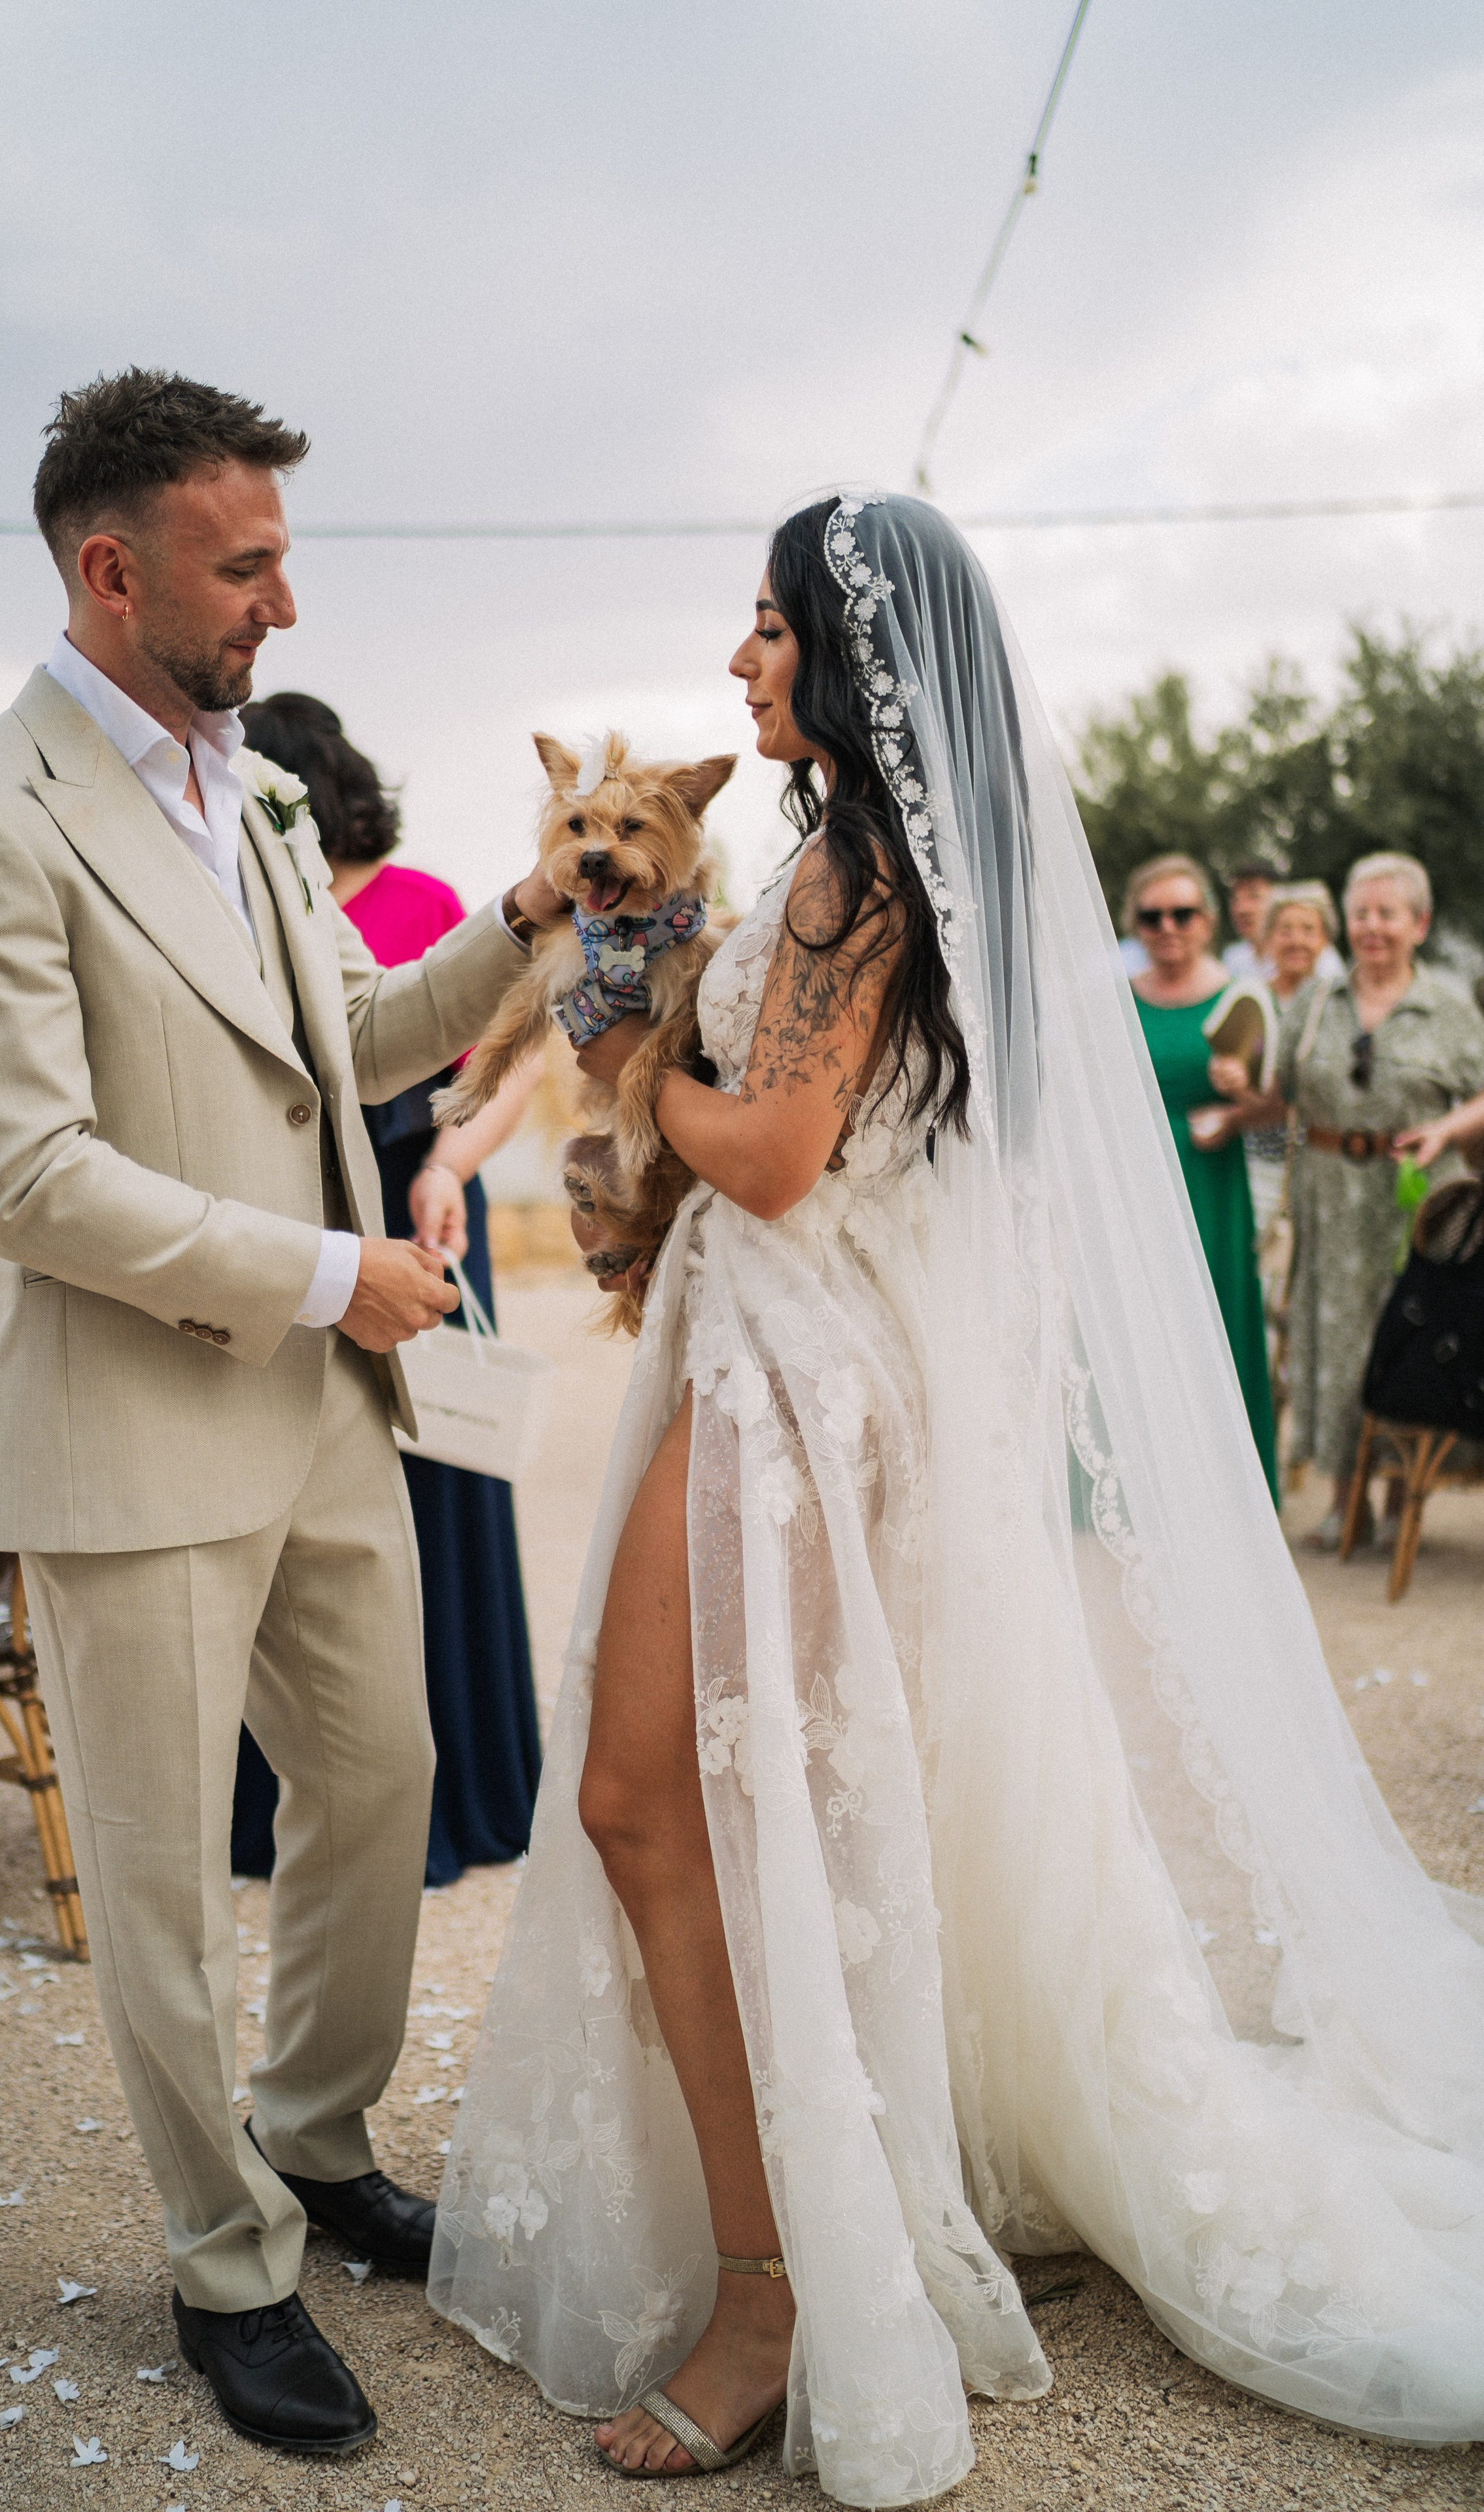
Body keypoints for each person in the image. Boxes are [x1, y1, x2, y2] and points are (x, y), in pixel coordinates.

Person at [429, 494, 1484, 2503]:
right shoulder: (868, 854)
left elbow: (777, 1157)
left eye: (766, 625)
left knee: (663, 1800)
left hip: (791, 1379)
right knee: (723, 1803)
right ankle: (801, 2220)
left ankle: (776, 2295)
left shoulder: (851, 870)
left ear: (847, 653)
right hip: (779, 1354)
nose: (739, 659)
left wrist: (633, 1062)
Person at [0, 369, 567, 2458]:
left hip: (321, 1422)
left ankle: (317, 2138)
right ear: (114, 570)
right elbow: (31, 1180)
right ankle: (227, 2262)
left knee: (380, 1777)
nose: (284, 600)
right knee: (169, 1885)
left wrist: (527, 917)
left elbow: (359, 1036)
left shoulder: (255, 798)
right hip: (137, 1437)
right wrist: (327, 1274)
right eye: (245, 563)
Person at [237, 690, 542, 1889]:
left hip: (421, 1208)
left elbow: (511, 1059)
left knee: (438, 1494)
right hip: (300, 1227)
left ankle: (452, 1791)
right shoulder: (246, 898)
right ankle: (292, 1802)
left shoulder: (418, 903)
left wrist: (450, 1167)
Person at [1274, 852, 1484, 1548]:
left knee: (1406, 1342)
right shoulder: (1316, 1002)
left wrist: (1447, 1129)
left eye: (1386, 914)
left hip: (1416, 1199)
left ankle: (1398, 1503)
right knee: (1336, 1342)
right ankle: (1346, 1503)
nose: (1371, 927)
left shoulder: (1448, 1006)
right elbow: (1278, 1089)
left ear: (1418, 924)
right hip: (1330, 1193)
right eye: (1360, 913)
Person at [1124, 856, 1279, 1498]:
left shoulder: (1241, 998)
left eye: (1183, 913)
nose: (1168, 927)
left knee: (1215, 1319)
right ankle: (1144, 1481)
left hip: (1211, 1181)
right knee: (1140, 1322)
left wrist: (1238, 1105)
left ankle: (1224, 1486)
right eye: (1152, 916)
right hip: (1135, 1184)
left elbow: (1279, 1103)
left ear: (1208, 921)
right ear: (1134, 923)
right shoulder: (1119, 999)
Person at [1240, 881, 1343, 1244]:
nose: (1297, 941)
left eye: (1309, 930)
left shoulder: (1340, 1005)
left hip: (1324, 1163)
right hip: (1260, 1163)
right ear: (1268, 939)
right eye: (1285, 930)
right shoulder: (1250, 1000)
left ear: (1326, 940)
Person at [1219, 859, 1280, 982]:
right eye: (1235, 899)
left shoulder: (1308, 960)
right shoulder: (1232, 959)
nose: (1242, 909)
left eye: (1254, 896)